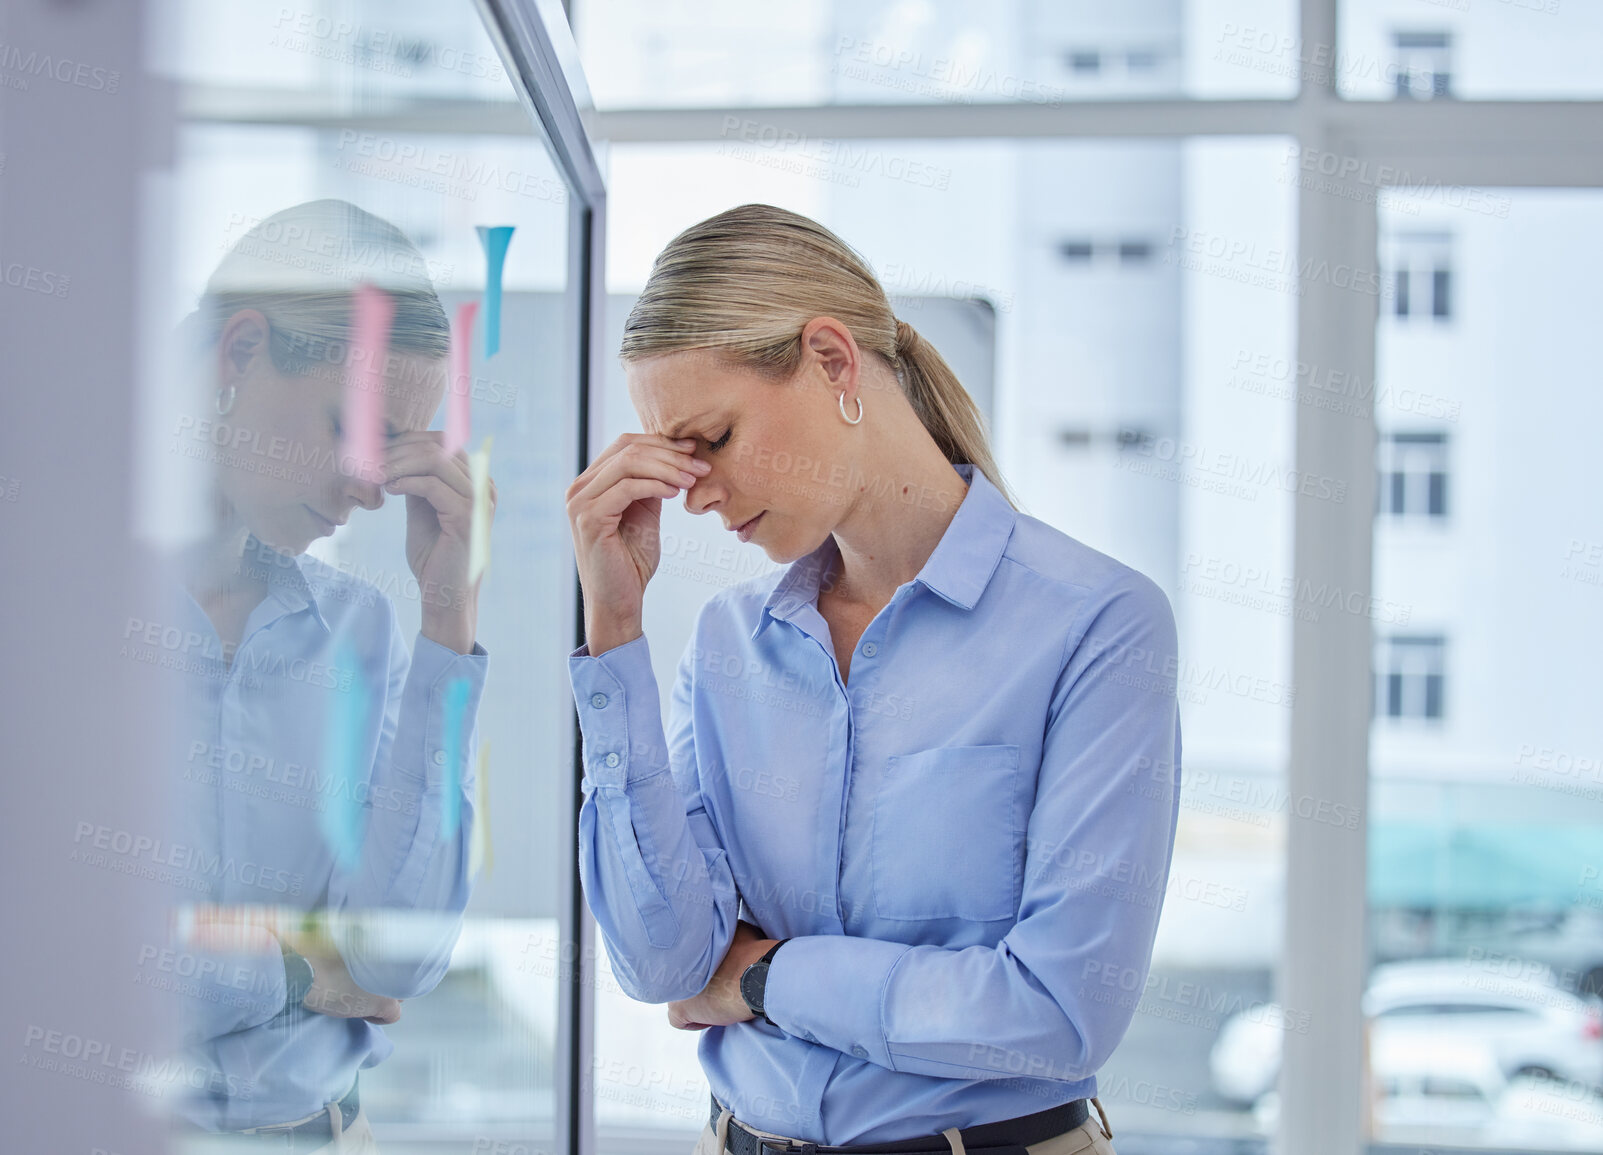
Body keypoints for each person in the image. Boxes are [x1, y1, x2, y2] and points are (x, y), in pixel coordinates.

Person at [565, 204, 1180, 1155]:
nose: (694, 494)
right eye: (677, 459)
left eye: (714, 438)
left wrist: (765, 976)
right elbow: (662, 963)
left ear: (832, 361)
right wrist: (612, 630)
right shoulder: (728, 644)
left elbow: (1058, 1012)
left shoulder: (1095, 625)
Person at [153, 199, 494, 1152]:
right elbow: (63, 970)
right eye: (354, 428)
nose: (369, 486)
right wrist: (299, 972)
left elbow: (396, 954)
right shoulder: (57, 617)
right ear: (239, 353)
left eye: (395, 450)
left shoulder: (359, 629)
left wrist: (448, 618)